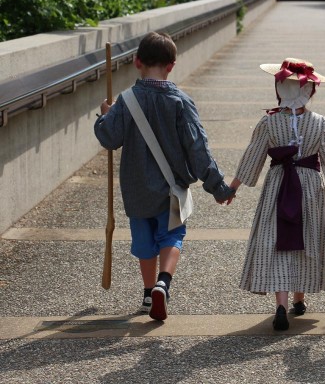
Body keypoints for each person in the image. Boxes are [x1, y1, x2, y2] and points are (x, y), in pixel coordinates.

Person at [94, 31, 235, 321]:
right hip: (171, 188)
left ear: (136, 62)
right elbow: (198, 148)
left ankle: (148, 294)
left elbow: (109, 138)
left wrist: (104, 116)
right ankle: (163, 283)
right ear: (171, 65)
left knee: (144, 242)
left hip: (135, 190)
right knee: (172, 235)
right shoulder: (180, 101)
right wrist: (218, 186)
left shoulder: (126, 100)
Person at [228, 58, 325, 331]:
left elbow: (252, 158)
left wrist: (232, 188)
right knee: (305, 239)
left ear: (279, 88)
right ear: (310, 91)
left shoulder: (268, 123)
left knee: (278, 237)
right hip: (309, 188)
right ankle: (299, 299)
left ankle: (281, 304)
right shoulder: (320, 123)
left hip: (278, 185)